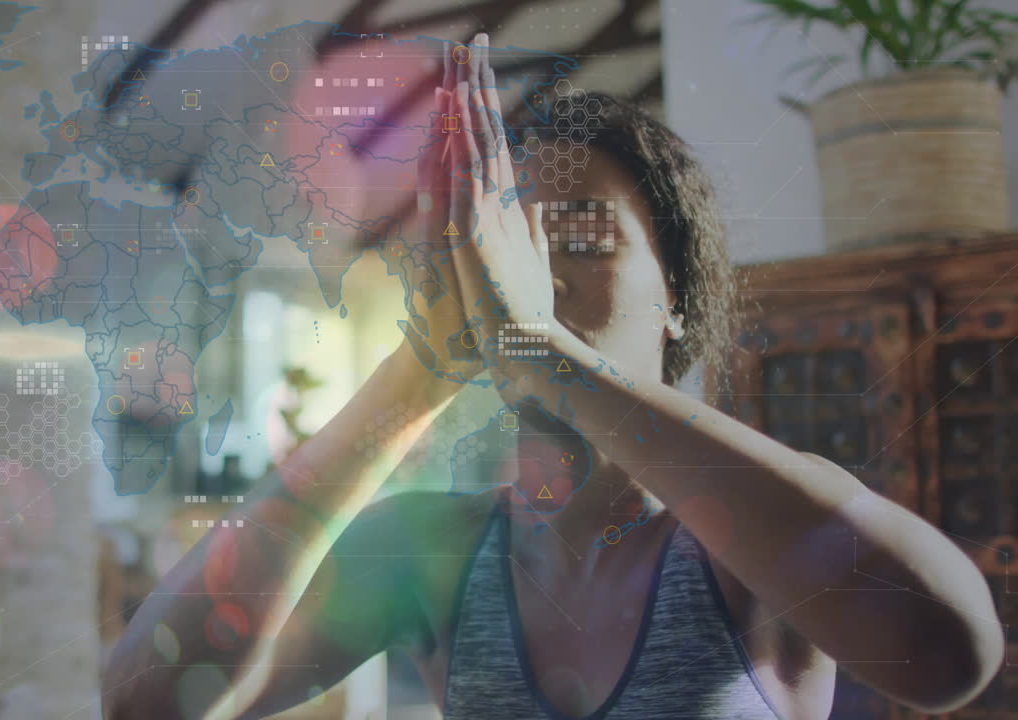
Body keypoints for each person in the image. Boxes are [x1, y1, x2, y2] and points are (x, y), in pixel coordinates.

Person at [102, 33, 1004, 720]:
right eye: (501, 248)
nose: (526, 279)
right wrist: (424, 365)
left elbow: (949, 652)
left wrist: (541, 345)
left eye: (577, 239)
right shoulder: (432, 551)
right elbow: (144, 698)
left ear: (677, 299)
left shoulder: (744, 536)